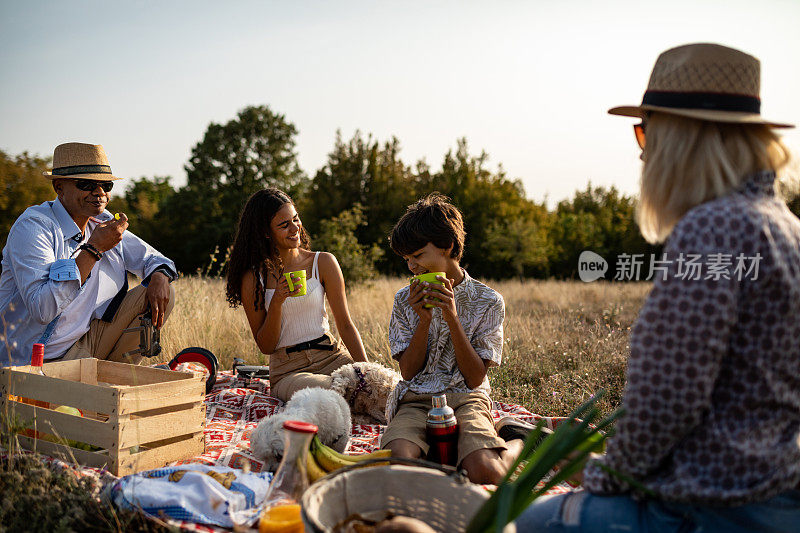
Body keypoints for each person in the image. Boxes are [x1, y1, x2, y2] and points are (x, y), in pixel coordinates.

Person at [516, 43, 800, 532]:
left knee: (535, 522)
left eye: (645, 132)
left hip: (711, 505)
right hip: (778, 492)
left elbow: (669, 402)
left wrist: (604, 475)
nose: (642, 151)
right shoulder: (785, 228)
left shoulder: (714, 228)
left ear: (684, 139)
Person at [379, 193, 522, 485]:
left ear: (446, 247)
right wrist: (425, 320)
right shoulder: (405, 300)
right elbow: (407, 372)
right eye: (407, 259)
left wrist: (452, 317)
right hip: (417, 400)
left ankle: (516, 442)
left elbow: (474, 378)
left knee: (484, 471)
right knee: (397, 465)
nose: (412, 268)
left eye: (418, 256)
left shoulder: (489, 301)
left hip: (467, 398)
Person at [0, 142, 177, 366]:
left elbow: (155, 259)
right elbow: (42, 310)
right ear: (59, 187)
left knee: (165, 290)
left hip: (86, 341)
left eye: (106, 185)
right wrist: (93, 250)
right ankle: (95, 388)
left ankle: (115, 380)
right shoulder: (34, 227)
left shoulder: (102, 222)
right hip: (39, 357)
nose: (100, 193)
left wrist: (160, 276)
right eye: (87, 184)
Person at [225, 188, 368, 402]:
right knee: (334, 391)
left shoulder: (323, 262)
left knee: (378, 386)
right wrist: (277, 302)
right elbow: (266, 346)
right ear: (266, 232)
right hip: (289, 370)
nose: (295, 228)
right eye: (284, 225)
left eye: (296, 219)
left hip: (331, 355)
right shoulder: (254, 279)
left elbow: (346, 325)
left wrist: (367, 371)